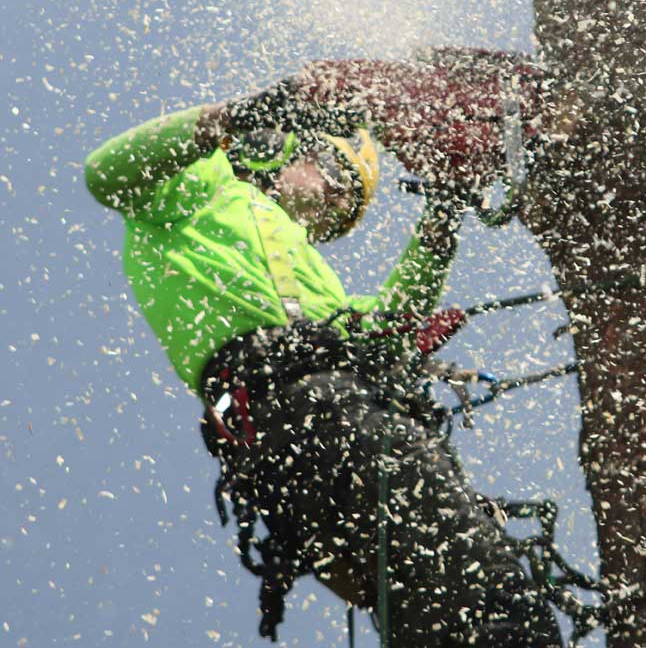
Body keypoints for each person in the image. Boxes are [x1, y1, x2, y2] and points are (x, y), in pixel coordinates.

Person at [84, 53, 561, 647]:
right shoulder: (198, 190)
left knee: (432, 586)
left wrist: (443, 212)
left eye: (345, 207)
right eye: (337, 179)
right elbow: (105, 173)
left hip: (310, 419)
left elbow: (387, 322)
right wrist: (239, 115)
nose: (336, 206)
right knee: (476, 579)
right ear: (286, 147)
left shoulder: (309, 279)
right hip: (297, 402)